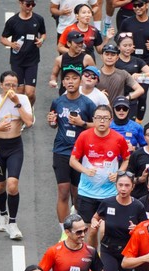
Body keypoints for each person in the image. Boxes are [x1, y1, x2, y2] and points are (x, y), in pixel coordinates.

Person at [0, 70, 34, 240]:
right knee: (0, 186)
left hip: (15, 147)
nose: (11, 88)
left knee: (12, 184)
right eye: (7, 84)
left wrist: (17, 103)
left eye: (14, 85)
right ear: (1, 85)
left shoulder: (22, 99)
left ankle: (13, 223)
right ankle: (3, 214)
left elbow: (29, 122)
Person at [69, 104, 131, 247]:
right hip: (87, 192)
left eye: (105, 118)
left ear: (111, 120)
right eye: (98, 118)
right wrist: (85, 170)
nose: (102, 121)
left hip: (109, 193)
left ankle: (104, 256)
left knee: (106, 229)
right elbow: (72, 160)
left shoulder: (118, 138)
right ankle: (91, 255)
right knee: (89, 229)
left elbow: (127, 159)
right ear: (93, 119)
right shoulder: (84, 136)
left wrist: (119, 174)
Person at [47, 67, 96, 233]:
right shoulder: (58, 102)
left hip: (80, 152)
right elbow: (53, 124)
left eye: (74, 78)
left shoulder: (87, 103)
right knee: (63, 191)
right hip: (61, 151)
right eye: (67, 78)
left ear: (80, 81)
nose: (70, 81)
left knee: (77, 193)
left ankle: (78, 229)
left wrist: (82, 123)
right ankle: (64, 231)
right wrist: (51, 121)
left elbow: (98, 126)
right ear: (63, 82)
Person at [0, 0, 46, 109]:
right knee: (20, 91)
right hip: (17, 61)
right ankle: (22, 113)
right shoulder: (13, 21)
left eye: (32, 5)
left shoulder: (38, 19)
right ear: (20, 3)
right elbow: (2, 39)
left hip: (32, 60)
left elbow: (43, 33)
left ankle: (29, 110)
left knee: (30, 93)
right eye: (28, 4)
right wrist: (11, 44)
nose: (30, 7)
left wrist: (41, 40)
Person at [115, 32, 149, 121]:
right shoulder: (115, 60)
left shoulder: (137, 61)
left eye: (130, 45)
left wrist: (139, 75)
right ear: (118, 47)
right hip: (117, 96)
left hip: (132, 97)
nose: (127, 48)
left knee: (130, 123)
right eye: (124, 46)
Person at [118, 0, 149, 71]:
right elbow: (118, 38)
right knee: (129, 78)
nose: (137, 8)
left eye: (140, 5)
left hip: (146, 59)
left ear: (147, 5)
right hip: (129, 58)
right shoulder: (127, 22)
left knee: (146, 78)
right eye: (135, 6)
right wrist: (126, 46)